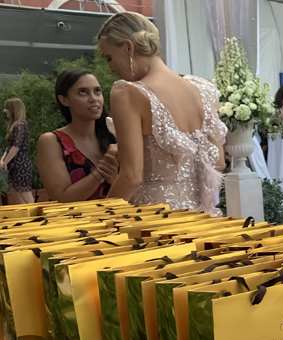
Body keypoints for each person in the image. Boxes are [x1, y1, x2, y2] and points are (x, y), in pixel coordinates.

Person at [96, 12, 226, 214]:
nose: (110, 68)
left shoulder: (128, 93)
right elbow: (218, 162)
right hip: (201, 215)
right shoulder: (202, 90)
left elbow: (131, 177)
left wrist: (99, 216)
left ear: (128, 47)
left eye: (109, 58)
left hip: (156, 216)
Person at [37, 69, 119, 202]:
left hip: (116, 213)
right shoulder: (52, 141)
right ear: (64, 100)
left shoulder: (113, 137)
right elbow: (61, 198)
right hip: (74, 215)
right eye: (83, 92)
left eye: (97, 91)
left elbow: (132, 194)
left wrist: (115, 180)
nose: (93, 98)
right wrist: (101, 172)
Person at [1, 98, 34, 204]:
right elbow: (9, 146)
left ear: (13, 109)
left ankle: (34, 213)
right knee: (16, 194)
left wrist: (5, 162)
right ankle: (24, 213)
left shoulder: (21, 125)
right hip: (13, 163)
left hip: (20, 164)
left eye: (7, 108)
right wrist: (3, 160)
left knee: (25, 195)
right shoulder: (13, 125)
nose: (4, 110)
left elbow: (16, 147)